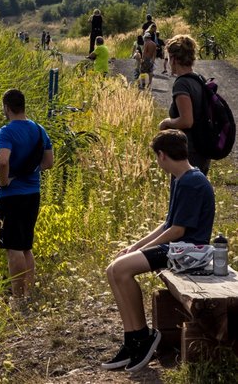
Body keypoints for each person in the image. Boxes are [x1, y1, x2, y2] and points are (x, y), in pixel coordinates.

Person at [102, 129, 215, 372]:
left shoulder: (193, 182)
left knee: (121, 270)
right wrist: (135, 247)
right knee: (113, 269)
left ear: (162, 155)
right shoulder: (180, 178)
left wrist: (142, 250)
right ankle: (132, 339)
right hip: (179, 248)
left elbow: (177, 231)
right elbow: (167, 224)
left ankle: (145, 336)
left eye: (156, 156)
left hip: (192, 252)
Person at [0, 89, 54, 301]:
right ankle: (29, 294)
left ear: (6, 108)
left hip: (11, 196)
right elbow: (48, 163)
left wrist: (4, 181)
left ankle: (18, 299)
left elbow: (3, 161)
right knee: (26, 246)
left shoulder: (6, 132)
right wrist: (29, 172)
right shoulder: (39, 130)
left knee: (13, 248)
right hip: (33, 194)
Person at [158, 34, 210, 174]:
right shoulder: (199, 79)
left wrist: (166, 122)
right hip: (202, 149)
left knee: (184, 193)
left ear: (174, 59)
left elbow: (187, 121)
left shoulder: (181, 84)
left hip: (187, 154)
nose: (168, 63)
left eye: (168, 58)